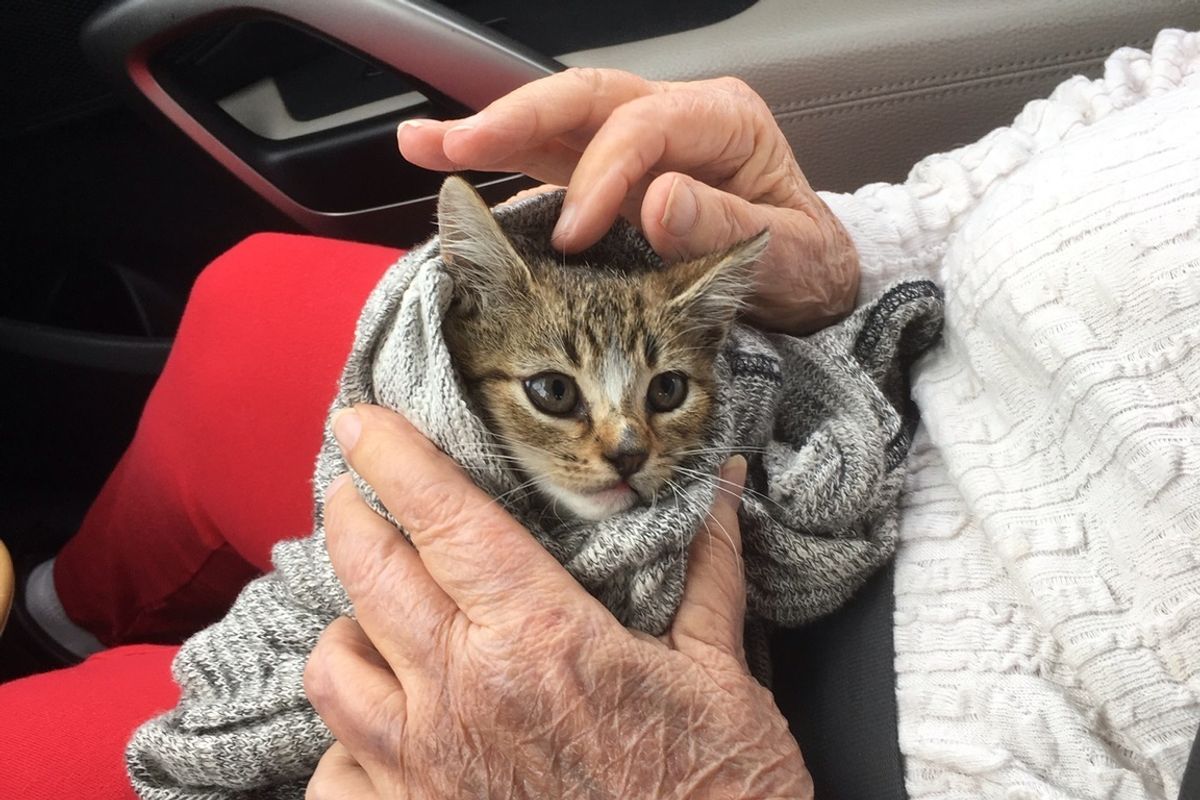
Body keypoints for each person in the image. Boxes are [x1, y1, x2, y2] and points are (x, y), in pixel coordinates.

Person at [3, 27, 1199, 800]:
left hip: (835, 723)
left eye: (643, 411)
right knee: (245, 299)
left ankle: (89, 662)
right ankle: (57, 613)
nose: (619, 445)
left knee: (47, 759)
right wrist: (848, 252)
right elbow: (1098, 122)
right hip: (851, 375)